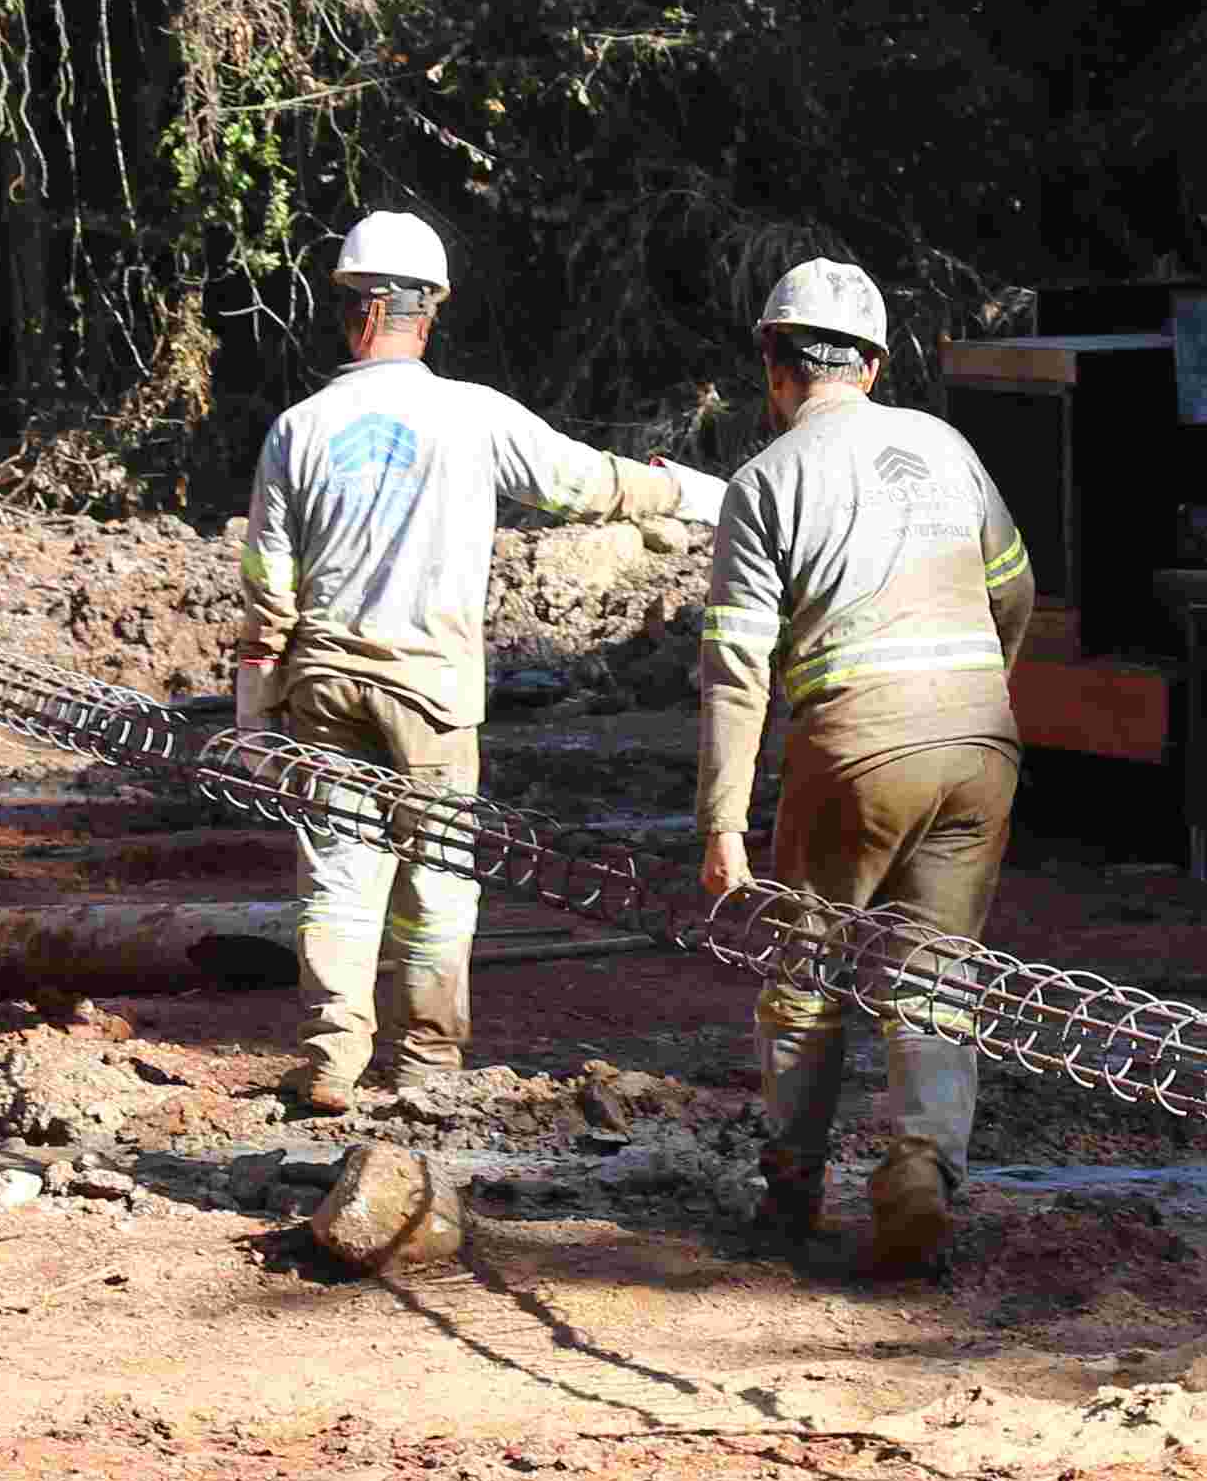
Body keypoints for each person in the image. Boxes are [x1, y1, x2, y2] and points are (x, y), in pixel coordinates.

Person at [236, 208, 722, 1114]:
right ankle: (425, 1066)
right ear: (430, 313)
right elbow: (590, 484)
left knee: (339, 871)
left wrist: (253, 718)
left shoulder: (298, 429)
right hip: (431, 693)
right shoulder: (472, 417)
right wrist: (700, 492)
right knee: (438, 878)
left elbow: (268, 584)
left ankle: (330, 1062)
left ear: (354, 312)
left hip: (325, 686)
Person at [692, 257, 1033, 1280]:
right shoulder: (945, 446)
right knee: (937, 975)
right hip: (980, 747)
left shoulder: (764, 483)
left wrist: (720, 823)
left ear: (773, 363)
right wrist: (971, 703)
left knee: (807, 971)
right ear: (876, 364)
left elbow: (735, 670)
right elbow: (1013, 594)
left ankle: (792, 1191)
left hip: (854, 749)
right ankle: (920, 1169)